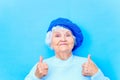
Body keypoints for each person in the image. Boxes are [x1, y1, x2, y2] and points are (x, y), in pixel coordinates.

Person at [25, 18, 110, 80]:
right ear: (50, 41)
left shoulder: (87, 64)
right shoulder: (40, 67)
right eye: (57, 36)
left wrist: (96, 74)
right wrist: (35, 77)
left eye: (68, 35)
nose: (63, 39)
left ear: (74, 40)